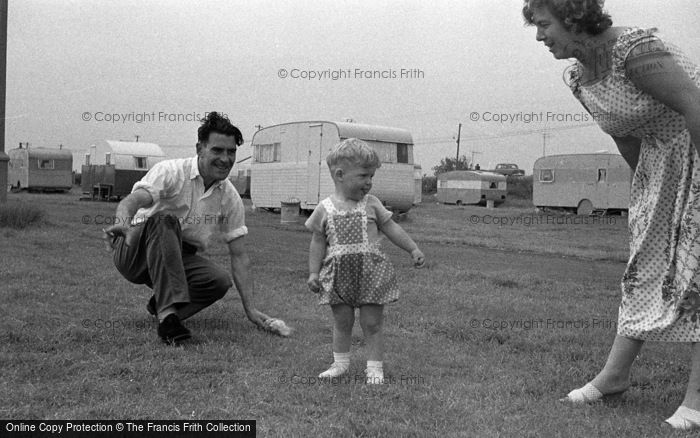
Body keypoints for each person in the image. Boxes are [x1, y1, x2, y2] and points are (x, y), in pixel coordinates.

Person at [523, 0, 700, 429]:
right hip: (659, 167)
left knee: (696, 270)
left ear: (574, 18)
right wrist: (646, 191)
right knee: (643, 268)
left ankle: (696, 399)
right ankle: (614, 376)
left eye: (544, 25)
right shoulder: (580, 77)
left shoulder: (636, 51)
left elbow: (695, 105)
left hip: (696, 150)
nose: (539, 36)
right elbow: (624, 135)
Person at [104, 112, 272, 344]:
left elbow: (239, 256)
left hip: (178, 257)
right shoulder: (171, 172)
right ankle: (168, 319)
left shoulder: (230, 197)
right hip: (135, 249)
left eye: (231, 152)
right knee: (165, 221)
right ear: (200, 148)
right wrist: (122, 221)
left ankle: (163, 308)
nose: (225, 159)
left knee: (218, 280)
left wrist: (251, 311)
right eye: (217, 150)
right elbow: (133, 201)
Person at [305, 138, 425, 384]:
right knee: (342, 322)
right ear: (340, 174)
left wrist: (412, 248)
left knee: (372, 322)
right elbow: (318, 242)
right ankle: (340, 364)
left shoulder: (372, 204)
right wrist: (313, 273)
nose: (369, 182)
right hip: (338, 276)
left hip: (371, 273)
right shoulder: (324, 208)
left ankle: (374, 369)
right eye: (363, 176)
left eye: (371, 176)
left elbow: (391, 228)